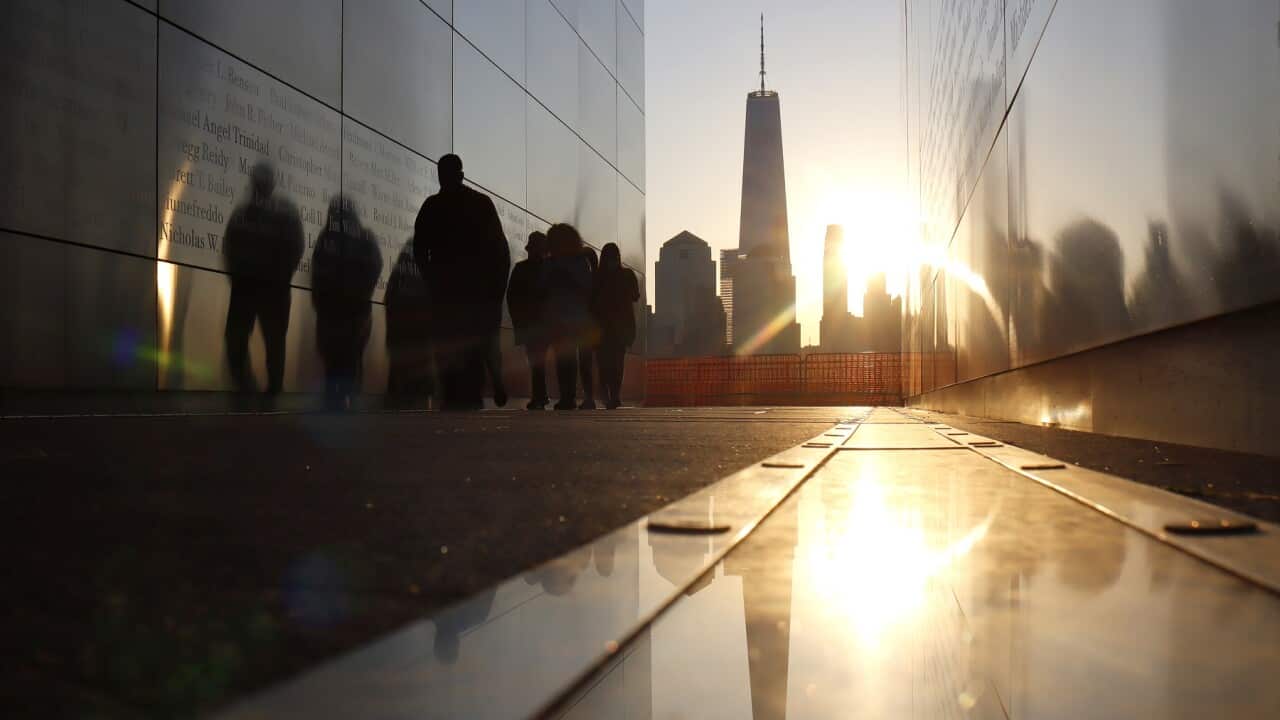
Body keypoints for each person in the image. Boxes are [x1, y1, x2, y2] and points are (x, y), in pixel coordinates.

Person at [413, 154, 510, 410]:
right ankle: (470, 394)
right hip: (473, 291)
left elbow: (420, 250)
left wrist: (431, 279)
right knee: (472, 346)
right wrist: (496, 290)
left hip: (449, 291)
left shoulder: (432, 206)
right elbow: (500, 251)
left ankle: (455, 394)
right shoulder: (480, 203)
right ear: (462, 174)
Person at [223, 161, 304, 405]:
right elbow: (230, 247)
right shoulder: (247, 212)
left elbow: (295, 248)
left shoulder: (277, 212)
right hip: (256, 287)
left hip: (266, 288)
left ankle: (268, 391)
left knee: (271, 342)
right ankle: (255, 388)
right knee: (251, 340)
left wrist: (278, 277)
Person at [311, 196, 383, 411]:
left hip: (351, 310)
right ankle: (339, 399)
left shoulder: (358, 237)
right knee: (338, 355)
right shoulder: (332, 237)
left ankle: (345, 398)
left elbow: (374, 267)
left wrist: (359, 294)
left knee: (347, 356)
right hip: (338, 309)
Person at [541, 224, 594, 410]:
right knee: (563, 358)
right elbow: (542, 288)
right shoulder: (549, 263)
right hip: (558, 317)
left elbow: (587, 287)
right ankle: (567, 396)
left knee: (570, 358)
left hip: (574, 317)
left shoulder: (579, 262)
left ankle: (570, 396)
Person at [385, 240, 435, 408]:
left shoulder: (402, 270)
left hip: (401, 334)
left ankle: (399, 403)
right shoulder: (428, 268)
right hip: (420, 335)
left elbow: (390, 298)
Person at [591, 243, 639, 409]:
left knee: (605, 363)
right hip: (618, 327)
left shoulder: (597, 276)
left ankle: (609, 394)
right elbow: (635, 296)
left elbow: (591, 302)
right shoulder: (626, 275)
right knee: (615, 363)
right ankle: (613, 395)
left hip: (604, 328)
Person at [507, 231, 550, 409]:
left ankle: (540, 396)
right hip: (542, 322)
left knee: (535, 359)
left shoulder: (521, 269)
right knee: (538, 359)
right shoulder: (548, 269)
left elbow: (512, 297)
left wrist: (518, 320)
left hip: (530, 322)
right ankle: (541, 396)